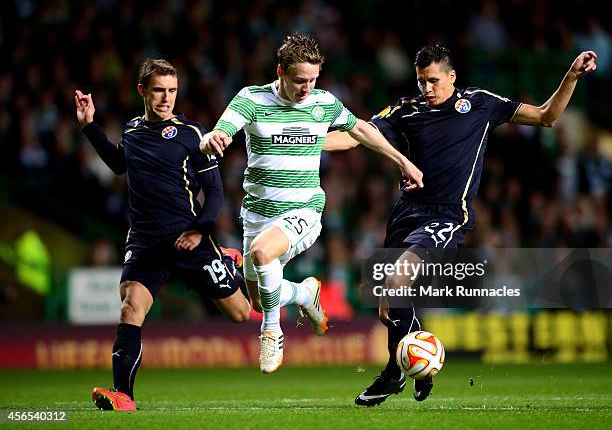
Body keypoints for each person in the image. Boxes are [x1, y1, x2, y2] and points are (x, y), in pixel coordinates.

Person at [323, 44, 597, 405]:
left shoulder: (480, 104)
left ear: (452, 77)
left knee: (397, 281)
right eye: (421, 81)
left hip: (447, 215)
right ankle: (395, 373)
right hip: (406, 213)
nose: (427, 89)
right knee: (388, 303)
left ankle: (421, 361)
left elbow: (546, 116)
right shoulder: (406, 109)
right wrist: (301, 144)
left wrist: (571, 76)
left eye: (434, 80)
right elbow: (355, 135)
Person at [200, 33, 421, 374]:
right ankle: (304, 295)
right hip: (258, 213)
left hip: (304, 210)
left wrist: (401, 161)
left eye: (313, 80)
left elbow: (360, 129)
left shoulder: (324, 103)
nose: (306, 88)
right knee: (259, 298)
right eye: (299, 80)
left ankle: (271, 332)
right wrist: (216, 137)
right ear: (280, 72)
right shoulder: (252, 99)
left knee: (261, 254)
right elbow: (225, 128)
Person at [75, 58, 252, 411]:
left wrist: (200, 232)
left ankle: (230, 263)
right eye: (159, 90)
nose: (166, 98)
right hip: (145, 243)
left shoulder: (191, 134)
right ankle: (124, 395)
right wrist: (89, 126)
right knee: (130, 307)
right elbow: (118, 163)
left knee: (241, 314)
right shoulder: (132, 131)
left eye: (172, 90)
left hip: (190, 242)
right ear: (142, 91)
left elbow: (214, 192)